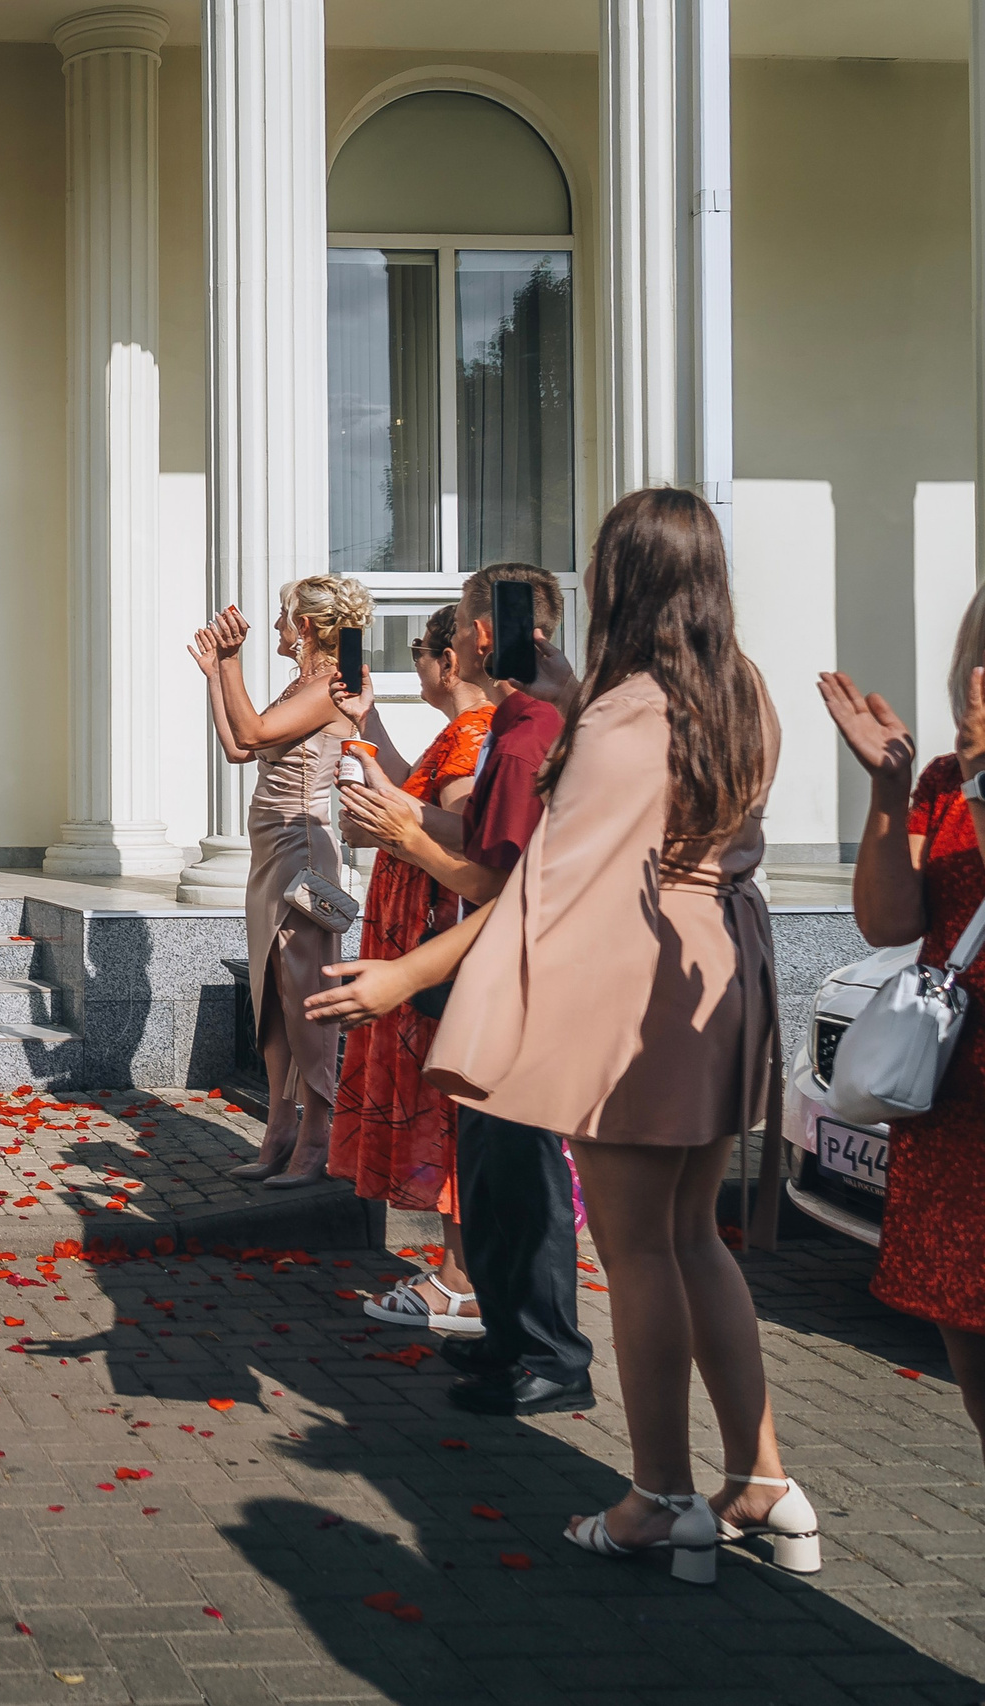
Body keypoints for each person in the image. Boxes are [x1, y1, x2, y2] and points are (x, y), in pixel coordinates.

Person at [312, 489, 809, 1585]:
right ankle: (764, 1476)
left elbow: (532, 887)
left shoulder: (627, 713)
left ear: (621, 579)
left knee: (637, 1250)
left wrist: (405, 970)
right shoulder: (740, 690)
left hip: (640, 990)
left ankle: (658, 1496)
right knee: (695, 1236)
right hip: (724, 976)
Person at [336, 566, 593, 1407]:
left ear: (483, 639)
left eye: (452, 632)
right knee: (488, 1167)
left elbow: (500, 884)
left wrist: (405, 846)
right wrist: (399, 817)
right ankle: (507, 1334)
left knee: (527, 1179)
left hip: (521, 978)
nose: (438, 649)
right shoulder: (520, 724)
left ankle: (550, 1355)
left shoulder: (523, 737)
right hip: (491, 973)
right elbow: (477, 834)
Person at [819, 583, 985, 1469]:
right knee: (969, 1341)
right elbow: (889, 923)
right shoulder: (946, 782)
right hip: (954, 1103)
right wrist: (887, 791)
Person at [325, 604, 494, 1333]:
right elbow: (418, 795)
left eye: (427, 650)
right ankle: (464, 1275)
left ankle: (461, 1280)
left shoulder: (476, 736)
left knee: (447, 1107)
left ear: (450, 661)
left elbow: (465, 839)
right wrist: (368, 726)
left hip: (440, 940)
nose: (422, 663)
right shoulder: (465, 735)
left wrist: (394, 822)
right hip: (429, 936)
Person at [188, 574, 370, 1188]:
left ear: (309, 627)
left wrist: (233, 664)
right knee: (269, 992)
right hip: (272, 852)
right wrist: (218, 673)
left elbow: (259, 734)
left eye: (283, 617)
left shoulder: (332, 686)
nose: (275, 627)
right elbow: (241, 747)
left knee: (306, 996)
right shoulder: (302, 683)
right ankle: (280, 1129)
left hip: (303, 848)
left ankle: (317, 1137)